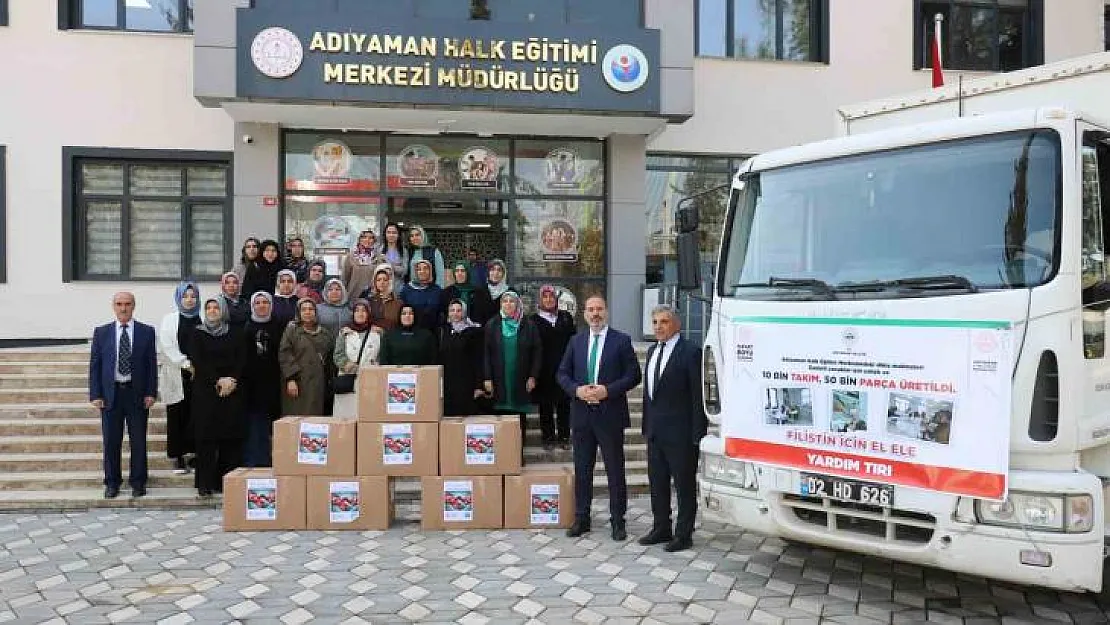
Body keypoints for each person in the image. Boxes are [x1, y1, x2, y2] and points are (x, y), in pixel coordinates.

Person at [557, 295, 642, 541]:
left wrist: (608, 390)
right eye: (591, 309)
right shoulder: (576, 341)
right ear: (584, 314)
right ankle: (582, 519)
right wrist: (576, 390)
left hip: (610, 415)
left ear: (606, 312)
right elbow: (562, 373)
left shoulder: (621, 341)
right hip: (582, 416)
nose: (595, 313)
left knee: (615, 470)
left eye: (599, 309)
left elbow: (633, 375)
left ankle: (618, 522)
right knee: (582, 470)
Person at [637, 305, 706, 553]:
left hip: (681, 433)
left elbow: (698, 395)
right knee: (657, 483)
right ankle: (661, 527)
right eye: (655, 322)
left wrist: (697, 433)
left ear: (676, 324)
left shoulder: (690, 352)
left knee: (684, 485)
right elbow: (650, 395)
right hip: (655, 432)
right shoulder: (654, 350)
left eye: (664, 321)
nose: (658, 326)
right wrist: (647, 426)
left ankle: (684, 533)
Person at [89, 292, 158, 499]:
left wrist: (151, 392)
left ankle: (138, 482)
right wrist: (96, 393)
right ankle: (112, 482)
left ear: (134, 306)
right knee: (111, 441)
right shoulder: (102, 333)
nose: (123, 308)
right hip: (111, 395)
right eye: (119, 304)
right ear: (113, 306)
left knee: (138, 440)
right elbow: (95, 365)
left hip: (136, 394)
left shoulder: (147, 331)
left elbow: (151, 365)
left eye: (127, 304)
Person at [189, 297, 246, 497]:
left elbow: (241, 359)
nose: (213, 311)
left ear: (223, 310)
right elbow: (198, 360)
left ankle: (225, 482)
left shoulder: (235, 333)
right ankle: (204, 483)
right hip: (206, 391)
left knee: (229, 439)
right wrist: (218, 380)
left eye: (216, 307)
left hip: (231, 391)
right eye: (209, 307)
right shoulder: (197, 333)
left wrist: (232, 380)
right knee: (206, 440)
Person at [484, 291, 541, 447]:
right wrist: (487, 377)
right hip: (499, 379)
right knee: (501, 420)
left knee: (519, 420)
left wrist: (533, 376)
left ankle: (518, 455)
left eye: (512, 301)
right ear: (500, 304)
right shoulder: (492, 324)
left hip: (521, 379)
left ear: (517, 304)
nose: (508, 304)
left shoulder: (528, 325)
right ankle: (503, 455)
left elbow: (537, 352)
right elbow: (486, 353)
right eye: (505, 301)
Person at [157, 281, 201, 475]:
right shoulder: (170, 319)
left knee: (196, 414)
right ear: (179, 298)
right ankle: (177, 455)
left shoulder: (203, 317)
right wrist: (186, 363)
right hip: (177, 372)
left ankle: (194, 454)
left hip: (200, 374)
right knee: (176, 414)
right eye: (186, 296)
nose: (190, 300)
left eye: (193, 296)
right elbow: (167, 346)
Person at [241, 292, 285, 468]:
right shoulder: (246, 327)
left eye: (265, 302)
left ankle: (272, 461)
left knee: (272, 424)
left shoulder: (279, 326)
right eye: (257, 302)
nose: (261, 305)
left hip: (274, 382)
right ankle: (255, 461)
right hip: (251, 384)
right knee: (254, 425)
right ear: (252, 306)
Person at [532, 285, 576, 451]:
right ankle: (548, 437)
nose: (549, 300)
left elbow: (574, 342)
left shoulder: (565, 317)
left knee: (564, 404)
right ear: (540, 300)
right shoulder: (533, 321)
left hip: (564, 368)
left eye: (551, 297)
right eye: (545, 297)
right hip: (544, 370)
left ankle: (564, 436)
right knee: (546, 406)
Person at [279, 299, 336, 416]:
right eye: (304, 309)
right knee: (296, 416)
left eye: (311, 309)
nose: (307, 312)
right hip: (298, 381)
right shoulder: (292, 331)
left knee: (314, 418)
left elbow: (330, 358)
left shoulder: (325, 333)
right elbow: (285, 354)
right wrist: (291, 379)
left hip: (317, 382)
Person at [332, 299, 381, 417]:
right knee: (346, 415)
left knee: (368, 415)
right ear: (353, 314)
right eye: (357, 311)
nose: (360, 313)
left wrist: (377, 366)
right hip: (348, 378)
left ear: (368, 314)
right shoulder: (345, 332)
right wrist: (346, 364)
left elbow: (382, 354)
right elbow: (338, 354)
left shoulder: (377, 332)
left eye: (364, 311)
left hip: (371, 378)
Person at [438, 299, 484, 416]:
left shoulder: (473, 332)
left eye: (459, 310)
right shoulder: (444, 331)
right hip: (448, 383)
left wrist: (478, 386)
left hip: (467, 383)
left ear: (464, 313)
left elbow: (478, 360)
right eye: (452, 310)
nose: (455, 313)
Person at [441, 261, 494, 326]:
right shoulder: (447, 292)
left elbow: (486, 315)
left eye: (463, 271)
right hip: (452, 332)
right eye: (457, 271)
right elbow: (444, 315)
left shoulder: (479, 292)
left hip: (475, 331)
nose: (459, 273)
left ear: (468, 273)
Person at [343, 229, 385, 306]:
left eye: (371, 238)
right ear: (359, 239)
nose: (367, 240)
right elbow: (345, 278)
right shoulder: (351, 256)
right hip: (354, 296)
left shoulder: (379, 257)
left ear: (374, 240)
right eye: (364, 237)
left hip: (373, 296)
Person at [401, 259, 445, 332]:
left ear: (430, 271)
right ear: (415, 272)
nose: (422, 271)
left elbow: (441, 312)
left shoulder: (437, 290)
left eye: (425, 268)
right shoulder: (407, 289)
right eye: (419, 269)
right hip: (411, 331)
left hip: (432, 331)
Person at [360, 264, 402, 333]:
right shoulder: (368, 301)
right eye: (379, 280)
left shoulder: (398, 303)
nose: (382, 282)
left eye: (385, 280)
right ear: (374, 282)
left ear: (390, 281)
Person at [480, 259, 511, 324]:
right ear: (488, 273)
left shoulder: (510, 292)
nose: (496, 273)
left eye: (499, 270)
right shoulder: (479, 292)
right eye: (492, 270)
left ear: (503, 274)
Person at [381, 223, 408, 295]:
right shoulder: (379, 250)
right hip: (382, 289)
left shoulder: (403, 251)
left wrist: (388, 263)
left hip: (398, 289)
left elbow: (404, 271)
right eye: (388, 232)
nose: (391, 235)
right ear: (385, 234)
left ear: (398, 235)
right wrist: (397, 266)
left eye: (394, 233)